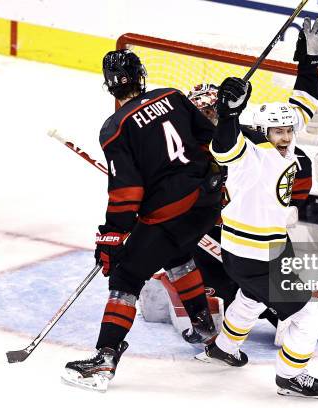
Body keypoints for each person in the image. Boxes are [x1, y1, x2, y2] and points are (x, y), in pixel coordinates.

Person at [61, 49, 223, 392]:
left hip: (171, 212)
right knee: (176, 252)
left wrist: (112, 237)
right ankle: (205, 328)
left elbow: (127, 190)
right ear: (141, 75)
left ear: (109, 86)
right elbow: (208, 137)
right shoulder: (173, 96)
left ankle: (104, 360)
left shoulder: (114, 128)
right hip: (207, 202)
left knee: (127, 275)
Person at [201, 17, 318, 398]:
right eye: (278, 132)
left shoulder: (284, 142)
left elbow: (304, 102)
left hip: (264, 249)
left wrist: (309, 58)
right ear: (261, 132)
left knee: (251, 297)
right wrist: (227, 114)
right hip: (255, 255)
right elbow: (223, 148)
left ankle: (224, 347)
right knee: (311, 317)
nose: (286, 137)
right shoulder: (251, 155)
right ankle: (290, 376)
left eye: (289, 131)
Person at [186, 83, 313, 322]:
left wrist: (291, 205)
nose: (208, 119)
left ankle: (279, 314)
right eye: (202, 113)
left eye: (213, 111)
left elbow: (297, 168)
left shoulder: (247, 144)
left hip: (249, 232)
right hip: (212, 229)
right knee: (225, 283)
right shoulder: (184, 148)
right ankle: (207, 316)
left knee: (271, 291)